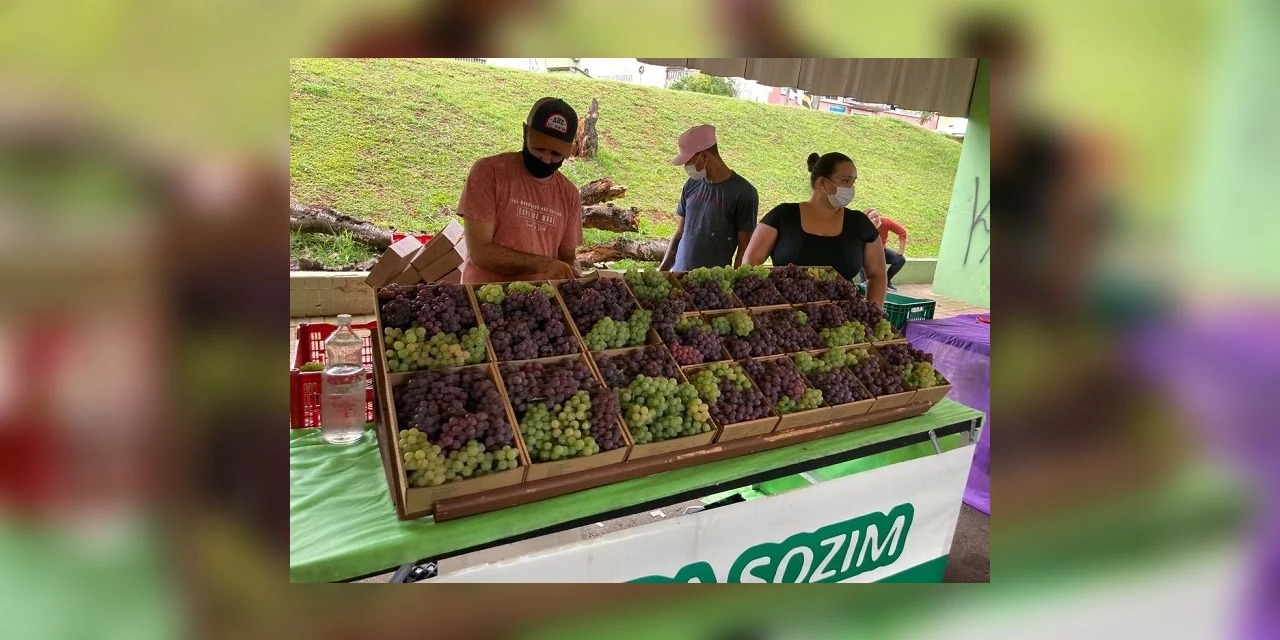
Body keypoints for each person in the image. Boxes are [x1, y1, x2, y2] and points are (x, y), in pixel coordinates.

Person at [458, 97, 583, 284]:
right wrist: (542, 265)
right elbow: (480, 252)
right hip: (484, 298)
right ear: (525, 133)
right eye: (539, 148)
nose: (546, 159)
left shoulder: (569, 194)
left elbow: (566, 256)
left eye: (556, 154)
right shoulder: (489, 172)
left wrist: (572, 269)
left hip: (540, 301)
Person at [743, 152, 888, 306]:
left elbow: (877, 274)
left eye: (853, 182)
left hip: (843, 320)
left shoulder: (860, 223)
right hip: (786, 318)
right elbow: (751, 261)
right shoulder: (783, 215)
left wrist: (874, 314)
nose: (851, 188)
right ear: (822, 183)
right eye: (845, 181)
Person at [658, 124, 759, 272]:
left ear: (705, 156)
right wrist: (663, 270)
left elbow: (744, 247)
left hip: (711, 286)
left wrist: (736, 283)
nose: (686, 166)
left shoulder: (744, 193)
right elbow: (680, 232)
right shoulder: (691, 184)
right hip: (679, 276)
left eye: (689, 161)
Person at [862, 208, 908, 290]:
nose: (875, 219)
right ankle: (865, 282)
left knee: (900, 260)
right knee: (860, 256)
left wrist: (900, 251)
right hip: (867, 252)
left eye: (876, 216)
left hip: (881, 251)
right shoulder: (864, 226)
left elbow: (902, 232)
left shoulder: (886, 222)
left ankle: (886, 281)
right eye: (871, 218)